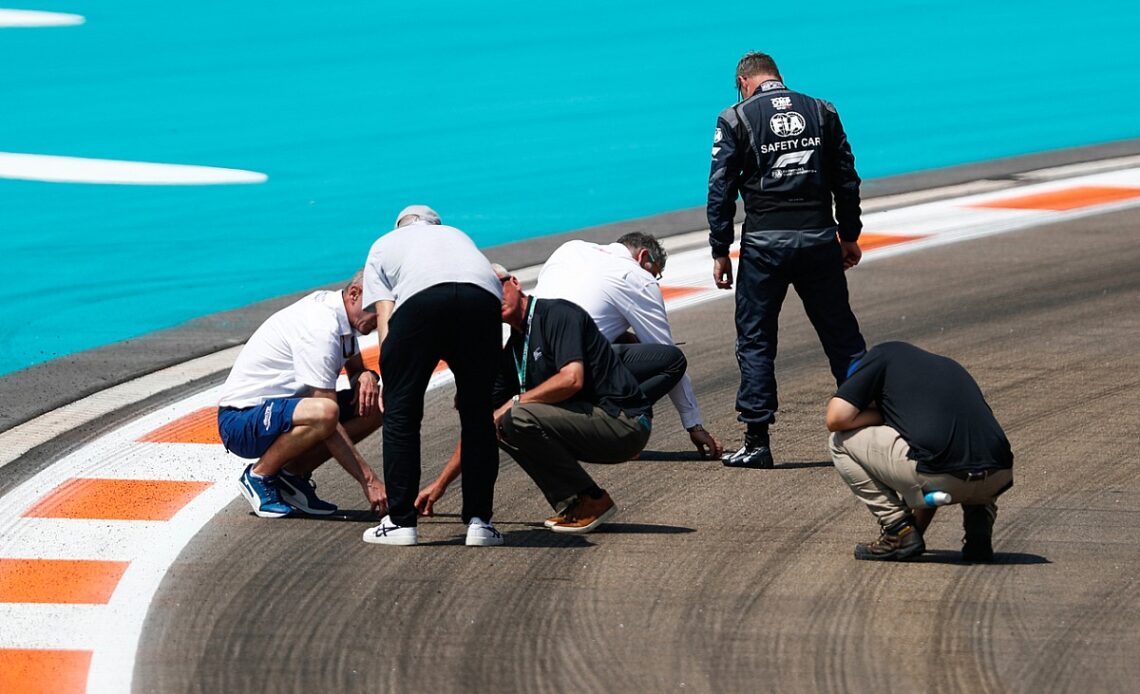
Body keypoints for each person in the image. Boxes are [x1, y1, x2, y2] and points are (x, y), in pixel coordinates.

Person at [707, 50, 867, 469]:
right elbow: (846, 178)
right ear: (777, 77)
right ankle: (868, 431)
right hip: (818, 239)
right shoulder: (821, 109)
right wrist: (848, 234)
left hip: (764, 245)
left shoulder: (735, 117)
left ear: (744, 82)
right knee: (842, 336)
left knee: (757, 340)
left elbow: (720, 189)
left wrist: (720, 249)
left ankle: (758, 442)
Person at [475, 265, 660, 534]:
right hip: (590, 423)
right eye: (485, 297)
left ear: (514, 282)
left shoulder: (557, 314)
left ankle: (592, 499)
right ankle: (577, 503)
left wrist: (515, 400)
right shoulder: (513, 349)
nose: (494, 298)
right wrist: (438, 487)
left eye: (497, 287)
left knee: (516, 415)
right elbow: (482, 426)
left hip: (625, 422)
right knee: (502, 424)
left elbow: (572, 379)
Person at [360, 205, 504, 547]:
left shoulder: (384, 244)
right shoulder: (458, 236)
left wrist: (390, 378)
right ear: (437, 224)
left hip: (422, 303)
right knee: (478, 415)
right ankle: (480, 522)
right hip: (481, 301)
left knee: (402, 415)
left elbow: (386, 316)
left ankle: (400, 522)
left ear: (399, 225)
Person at [531, 233, 724, 458]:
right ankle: (610, 426)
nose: (654, 279)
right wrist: (694, 425)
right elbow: (664, 349)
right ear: (644, 257)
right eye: (655, 273)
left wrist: (622, 336)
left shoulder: (571, 248)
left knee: (621, 342)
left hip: (531, 363)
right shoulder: (636, 276)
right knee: (672, 360)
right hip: (570, 369)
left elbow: (581, 313)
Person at [217, 271, 387, 519]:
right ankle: (258, 475)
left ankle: (291, 477)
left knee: (381, 404)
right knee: (326, 412)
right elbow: (325, 416)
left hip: (280, 411)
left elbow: (356, 369)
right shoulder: (321, 328)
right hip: (241, 421)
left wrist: (367, 376)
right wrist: (369, 480)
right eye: (377, 313)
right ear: (354, 294)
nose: (380, 321)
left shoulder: (343, 317)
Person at [826, 342, 1014, 562]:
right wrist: (915, 535)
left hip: (942, 477)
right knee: (965, 447)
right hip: (997, 477)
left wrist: (883, 416)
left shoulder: (880, 357)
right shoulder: (944, 368)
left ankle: (896, 529)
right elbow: (932, 451)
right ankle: (978, 531)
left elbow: (836, 418)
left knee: (839, 442)